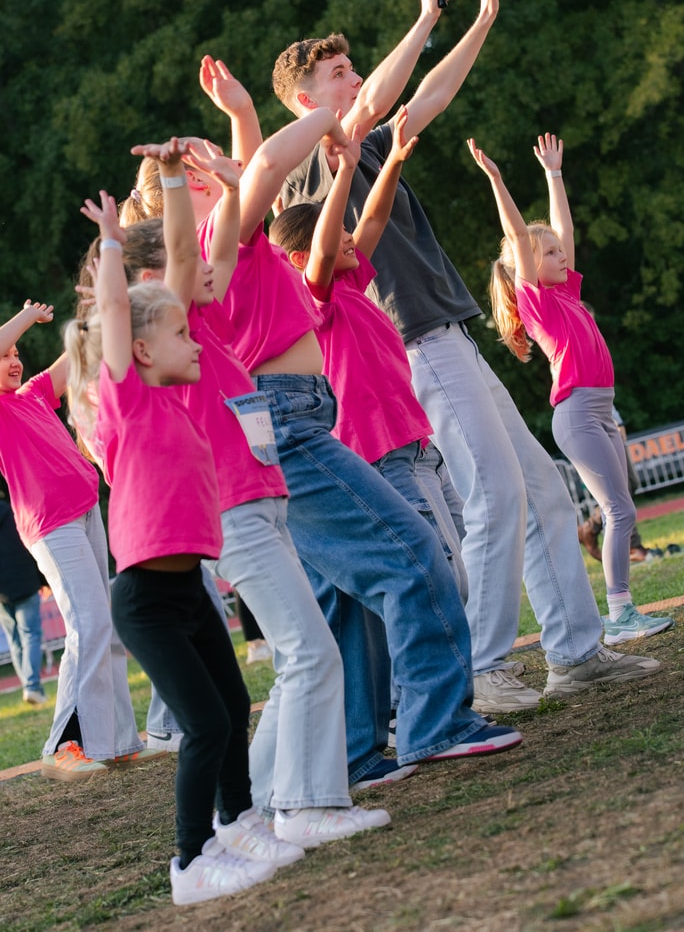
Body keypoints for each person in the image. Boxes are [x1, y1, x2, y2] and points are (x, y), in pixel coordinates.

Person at [274, 0, 661, 708]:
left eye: (354, 67)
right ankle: (482, 665)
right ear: (302, 101)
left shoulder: (369, 145)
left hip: (447, 331)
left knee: (543, 486)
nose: (353, 77)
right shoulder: (309, 169)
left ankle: (576, 651)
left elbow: (426, 92)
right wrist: (422, 15)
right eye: (338, 71)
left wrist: (478, 21)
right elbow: (372, 105)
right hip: (414, 341)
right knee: (492, 494)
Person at [191, 69, 523, 782]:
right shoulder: (230, 248)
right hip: (287, 419)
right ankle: (436, 724)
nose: (222, 174)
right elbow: (271, 168)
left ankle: (355, 751)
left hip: (291, 416)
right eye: (196, 179)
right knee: (412, 555)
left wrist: (258, 126)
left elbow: (284, 184)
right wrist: (322, 123)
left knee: (342, 600)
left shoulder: (250, 261)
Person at [122, 129, 391, 847]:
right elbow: (186, 255)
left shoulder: (205, 319)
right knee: (308, 651)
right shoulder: (168, 328)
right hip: (238, 510)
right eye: (183, 267)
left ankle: (288, 799)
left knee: (312, 651)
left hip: (261, 500)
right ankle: (301, 806)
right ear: (152, 287)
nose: (217, 264)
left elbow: (211, 251)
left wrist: (232, 182)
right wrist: (177, 179)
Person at [65, 187, 279, 906]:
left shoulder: (186, 398)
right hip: (147, 600)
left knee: (233, 702)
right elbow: (120, 313)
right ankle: (190, 862)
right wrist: (117, 243)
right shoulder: (127, 396)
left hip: (190, 589)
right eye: (181, 335)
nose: (195, 341)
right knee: (206, 724)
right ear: (144, 350)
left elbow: (187, 261)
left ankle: (243, 822)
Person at [468, 132, 673, 647]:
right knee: (618, 511)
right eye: (552, 253)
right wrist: (497, 180)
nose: (563, 255)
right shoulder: (538, 300)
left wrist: (554, 176)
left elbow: (564, 228)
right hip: (578, 413)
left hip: (599, 410)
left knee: (623, 507)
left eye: (561, 252)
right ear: (528, 267)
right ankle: (621, 613)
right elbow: (518, 237)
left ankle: (622, 610)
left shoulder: (567, 291)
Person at [269, 105, 467, 601]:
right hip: (382, 455)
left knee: (460, 569)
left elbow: (374, 216)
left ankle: (474, 672)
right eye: (339, 232)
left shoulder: (352, 281)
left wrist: (394, 160)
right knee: (438, 579)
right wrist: (346, 173)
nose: (350, 234)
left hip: (419, 446)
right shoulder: (315, 297)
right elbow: (319, 252)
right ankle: (455, 676)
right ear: (302, 257)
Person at [0, 302, 151, 778]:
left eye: (16, 354)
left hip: (85, 513)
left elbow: (75, 352)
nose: (13, 360)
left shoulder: (32, 395)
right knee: (86, 624)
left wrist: (102, 309)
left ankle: (117, 742)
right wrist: (25, 318)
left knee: (103, 623)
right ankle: (63, 744)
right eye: (4, 355)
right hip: (51, 525)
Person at [577, 404, 666, 564]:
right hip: (591, 422)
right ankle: (632, 546)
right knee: (620, 489)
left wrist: (618, 422)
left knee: (630, 483)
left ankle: (590, 528)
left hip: (609, 418)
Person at [0, 477, 47, 705]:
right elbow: (31, 546)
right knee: (31, 635)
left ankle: (28, 685)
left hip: (2, 593)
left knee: (15, 640)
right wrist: (43, 579)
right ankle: (32, 686)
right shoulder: (13, 513)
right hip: (25, 583)